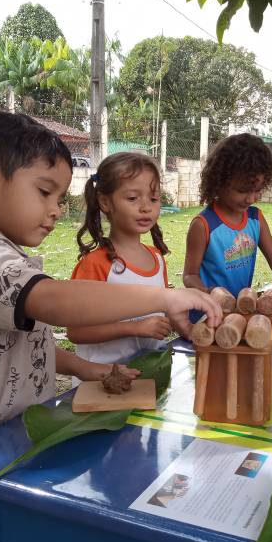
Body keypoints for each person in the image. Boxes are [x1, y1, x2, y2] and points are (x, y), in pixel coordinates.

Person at [0, 112, 222, 542]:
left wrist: (87, 370)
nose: (55, 209)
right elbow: (56, 302)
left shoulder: (7, 257)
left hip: (10, 441)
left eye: (60, 198)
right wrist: (163, 298)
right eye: (44, 192)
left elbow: (30, 345)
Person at [68, 152, 171, 381]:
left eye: (154, 199)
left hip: (147, 379)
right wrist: (136, 328)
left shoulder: (157, 259)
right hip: (101, 385)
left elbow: (164, 310)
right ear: (105, 202)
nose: (146, 207)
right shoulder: (95, 265)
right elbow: (76, 332)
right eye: (133, 198)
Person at [182, 133, 272, 318]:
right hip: (206, 316)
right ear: (219, 182)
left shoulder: (256, 219)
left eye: (257, 190)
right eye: (242, 191)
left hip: (240, 313)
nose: (250, 198)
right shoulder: (203, 225)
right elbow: (189, 275)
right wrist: (211, 295)